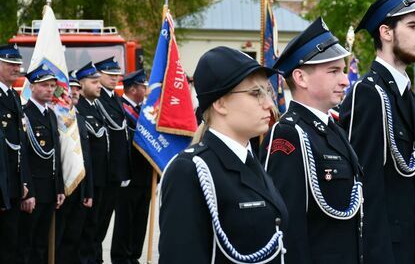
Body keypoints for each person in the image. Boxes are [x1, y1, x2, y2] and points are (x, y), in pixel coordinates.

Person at [159, 46, 288, 264]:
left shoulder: (251, 161)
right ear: (220, 103)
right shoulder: (191, 170)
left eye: (268, 92)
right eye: (256, 93)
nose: (269, 104)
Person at [339, 0, 415, 263]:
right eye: (413, 26)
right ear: (386, 32)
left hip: (410, 247)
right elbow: (364, 192)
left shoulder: (405, 96)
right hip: (384, 252)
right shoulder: (368, 94)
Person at [261, 17, 364, 264]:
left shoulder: (333, 128)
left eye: (343, 70)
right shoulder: (289, 134)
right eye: (333, 71)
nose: (344, 80)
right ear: (301, 78)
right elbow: (287, 226)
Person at [19, 65, 65, 263]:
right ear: (32, 87)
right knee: (26, 244)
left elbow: (56, 155)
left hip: (49, 190)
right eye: (44, 85)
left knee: (41, 244)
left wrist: (59, 187)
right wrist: (28, 192)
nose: (49, 89)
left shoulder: (51, 115)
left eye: (52, 85)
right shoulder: (24, 114)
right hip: (33, 191)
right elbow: (23, 157)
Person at [93, 57, 132, 263]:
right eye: (110, 75)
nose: (114, 78)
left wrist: (125, 169)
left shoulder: (116, 98)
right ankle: (95, 259)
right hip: (105, 171)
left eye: (116, 74)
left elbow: (122, 137)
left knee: (105, 219)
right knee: (96, 222)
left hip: (117, 171)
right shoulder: (98, 100)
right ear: (98, 75)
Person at [111, 69, 152, 264]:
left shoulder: (146, 111)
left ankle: (133, 255)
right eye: (144, 86)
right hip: (127, 175)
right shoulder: (119, 108)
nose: (146, 89)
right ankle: (121, 257)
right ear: (133, 88)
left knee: (140, 219)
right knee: (124, 220)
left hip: (145, 175)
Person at [0, 43, 34, 264]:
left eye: (18, 64)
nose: (16, 68)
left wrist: (25, 184)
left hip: (12, 186)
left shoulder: (14, 96)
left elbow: (20, 145)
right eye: (10, 64)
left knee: (11, 245)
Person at [56, 70, 94, 263]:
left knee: (73, 239)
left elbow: (86, 158)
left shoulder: (79, 119)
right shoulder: (56, 118)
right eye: (71, 88)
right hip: (61, 191)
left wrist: (89, 191)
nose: (75, 92)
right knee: (58, 240)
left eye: (78, 88)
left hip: (79, 190)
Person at [75, 61, 109, 263]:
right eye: (94, 82)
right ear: (81, 84)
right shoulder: (78, 109)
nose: (99, 85)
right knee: (85, 230)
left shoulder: (97, 107)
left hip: (101, 178)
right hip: (88, 180)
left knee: (97, 227)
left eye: (99, 82)